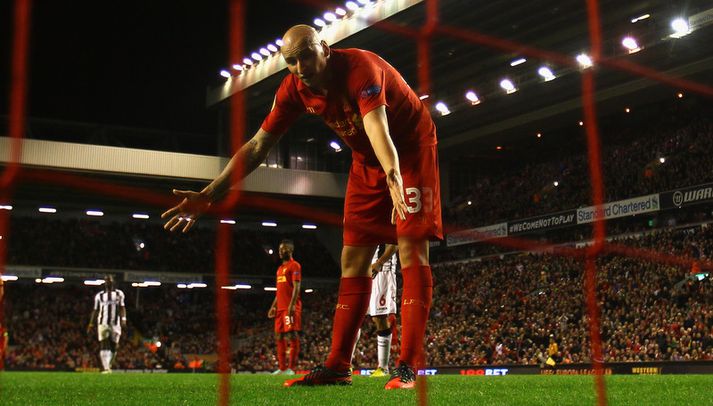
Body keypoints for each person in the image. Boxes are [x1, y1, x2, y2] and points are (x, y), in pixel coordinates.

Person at [162, 24, 442, 389]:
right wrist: (210, 194)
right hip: (365, 161)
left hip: (408, 153)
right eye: (291, 61)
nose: (299, 67)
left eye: (305, 56)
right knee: (352, 260)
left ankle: (407, 367)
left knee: (411, 249)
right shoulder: (293, 88)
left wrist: (394, 175)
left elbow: (377, 127)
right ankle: (339, 365)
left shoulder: (362, 69)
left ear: (324, 48)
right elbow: (258, 146)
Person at [352, 244, 399, 377]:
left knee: (380, 317)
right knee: (355, 316)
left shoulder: (387, 223)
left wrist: (380, 262)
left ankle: (383, 368)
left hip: (383, 269)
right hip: (364, 266)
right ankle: (345, 364)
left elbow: (395, 243)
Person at [267, 239, 302, 375]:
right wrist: (273, 306)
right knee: (279, 336)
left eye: (284, 249)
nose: (281, 251)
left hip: (290, 308)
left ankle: (291, 368)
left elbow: (297, 287)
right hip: (280, 309)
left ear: (291, 250)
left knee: (292, 334)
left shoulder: (295, 266)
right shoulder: (280, 269)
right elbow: (279, 291)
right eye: (280, 249)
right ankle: (282, 368)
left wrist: (292, 305)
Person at [87, 275, 126, 373]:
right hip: (103, 323)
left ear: (113, 282)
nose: (107, 282)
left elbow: (122, 307)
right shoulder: (99, 295)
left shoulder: (119, 293)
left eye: (109, 280)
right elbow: (95, 310)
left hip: (115, 324)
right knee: (104, 344)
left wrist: (124, 319)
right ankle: (106, 368)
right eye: (106, 280)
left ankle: (109, 366)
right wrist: (91, 324)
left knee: (114, 346)